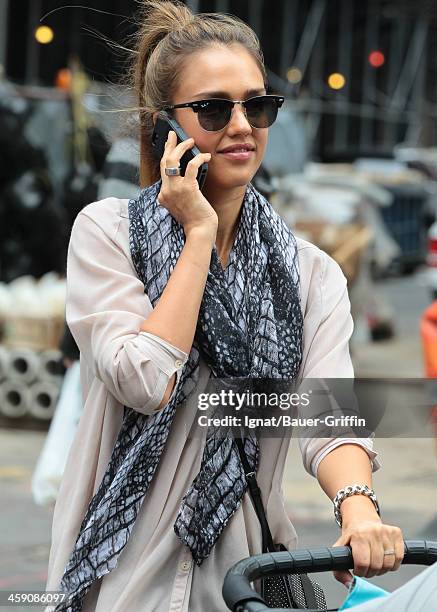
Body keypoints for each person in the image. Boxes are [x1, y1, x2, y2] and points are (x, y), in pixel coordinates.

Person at [46, 2, 404, 611]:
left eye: (257, 106)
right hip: (124, 572)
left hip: (251, 573)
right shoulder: (109, 234)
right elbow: (143, 377)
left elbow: (330, 413)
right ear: (167, 128)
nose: (242, 124)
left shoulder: (309, 272)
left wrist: (359, 509)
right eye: (214, 108)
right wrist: (198, 236)